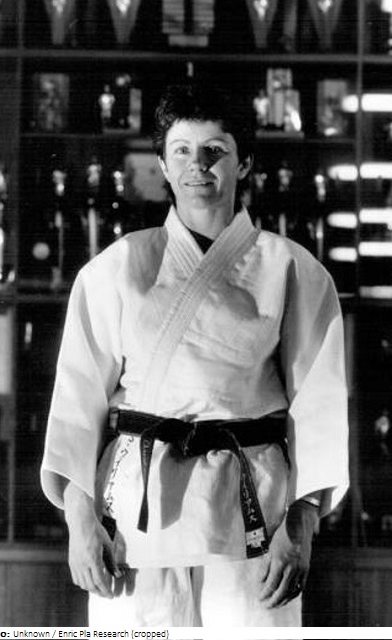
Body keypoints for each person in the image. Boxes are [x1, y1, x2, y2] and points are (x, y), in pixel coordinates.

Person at [41, 83, 349, 628]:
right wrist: (79, 521)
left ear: (244, 162)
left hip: (250, 512)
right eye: (181, 150)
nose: (197, 165)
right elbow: (76, 402)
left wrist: (301, 524)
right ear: (163, 163)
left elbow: (318, 407)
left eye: (215, 150)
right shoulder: (117, 266)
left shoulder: (293, 270)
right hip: (135, 511)